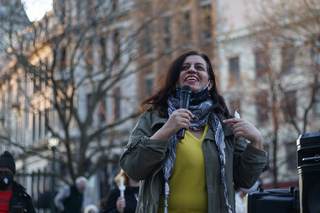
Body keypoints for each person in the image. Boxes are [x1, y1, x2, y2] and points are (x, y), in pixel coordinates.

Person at [119, 51, 268, 213]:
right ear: (176, 80)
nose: (192, 70)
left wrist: (256, 141)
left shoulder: (225, 125)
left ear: (209, 84)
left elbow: (245, 180)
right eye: (185, 67)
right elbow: (132, 168)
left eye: (199, 67)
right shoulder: (152, 119)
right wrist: (165, 131)